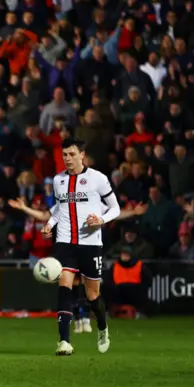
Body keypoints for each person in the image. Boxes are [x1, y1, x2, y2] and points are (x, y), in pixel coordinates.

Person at [9, 197, 146, 334]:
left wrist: (133, 212)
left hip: (89, 248)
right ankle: (78, 320)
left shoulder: (94, 202)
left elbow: (115, 213)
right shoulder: (64, 202)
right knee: (71, 286)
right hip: (68, 249)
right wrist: (24, 208)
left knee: (86, 286)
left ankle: (85, 318)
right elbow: (45, 215)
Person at [41, 138, 121, 356]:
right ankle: (64, 341)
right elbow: (59, 208)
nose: (67, 158)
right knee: (64, 284)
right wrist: (49, 224)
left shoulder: (98, 179)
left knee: (93, 295)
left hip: (91, 244)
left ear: (82, 155)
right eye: (64, 155)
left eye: (72, 154)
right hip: (65, 242)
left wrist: (102, 220)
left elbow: (116, 209)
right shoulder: (58, 180)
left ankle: (103, 328)